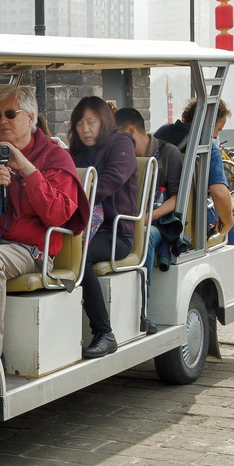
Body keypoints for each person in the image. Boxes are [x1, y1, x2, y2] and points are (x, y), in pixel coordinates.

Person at [0, 86, 89, 355]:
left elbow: (58, 213)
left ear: (30, 118)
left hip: (32, 251)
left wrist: (28, 169)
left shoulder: (55, 157)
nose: (2, 121)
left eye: (10, 114)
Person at [68, 96, 138, 359]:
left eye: (91, 122)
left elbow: (109, 181)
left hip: (115, 231)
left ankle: (104, 332)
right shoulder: (74, 152)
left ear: (104, 121)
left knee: (79, 259)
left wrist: (68, 201)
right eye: (79, 124)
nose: (85, 129)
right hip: (82, 227)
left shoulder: (121, 143)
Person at [156, 99, 234, 292]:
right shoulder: (206, 144)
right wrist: (227, 222)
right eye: (218, 129)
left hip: (155, 203)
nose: (215, 135)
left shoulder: (163, 133)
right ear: (209, 123)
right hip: (186, 215)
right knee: (228, 209)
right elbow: (219, 192)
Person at [116, 107, 182, 333]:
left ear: (131, 131)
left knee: (145, 237)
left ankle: (142, 309)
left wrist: (147, 218)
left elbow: (176, 198)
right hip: (127, 218)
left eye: (118, 135)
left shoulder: (168, 153)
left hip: (158, 222)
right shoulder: (121, 157)